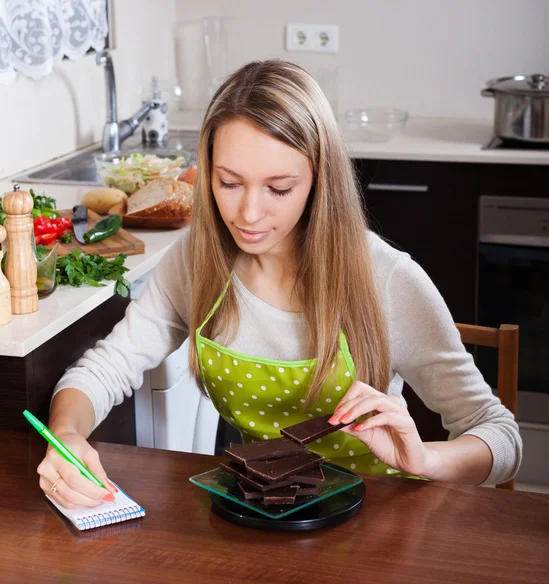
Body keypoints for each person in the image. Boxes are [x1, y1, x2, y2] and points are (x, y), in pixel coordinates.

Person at [37, 60, 521, 509]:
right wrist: (68, 438)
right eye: (229, 183)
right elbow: (103, 371)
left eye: (279, 189)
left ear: (318, 181)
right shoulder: (198, 261)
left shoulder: (385, 278)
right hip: (257, 514)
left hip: (378, 526)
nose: (248, 214)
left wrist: (424, 460)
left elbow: (500, 436)